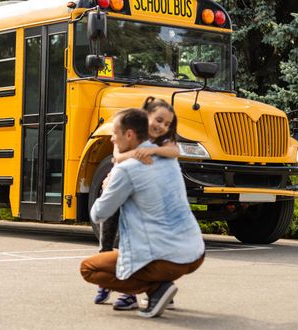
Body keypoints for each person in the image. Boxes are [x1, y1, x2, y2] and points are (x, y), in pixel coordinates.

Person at [81, 108, 205, 318]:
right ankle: (161, 284)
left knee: (89, 268)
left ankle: (156, 289)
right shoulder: (169, 159)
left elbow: (98, 214)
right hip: (196, 252)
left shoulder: (126, 168)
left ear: (129, 135)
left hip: (165, 258)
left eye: (115, 134)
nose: (111, 138)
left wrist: (108, 186)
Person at [94, 97, 180, 311]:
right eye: (157, 120)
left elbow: (175, 151)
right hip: (120, 191)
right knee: (108, 236)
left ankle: (142, 290)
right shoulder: (128, 132)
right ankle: (107, 281)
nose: (161, 126)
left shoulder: (162, 143)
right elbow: (117, 156)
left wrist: (151, 151)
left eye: (166, 124)